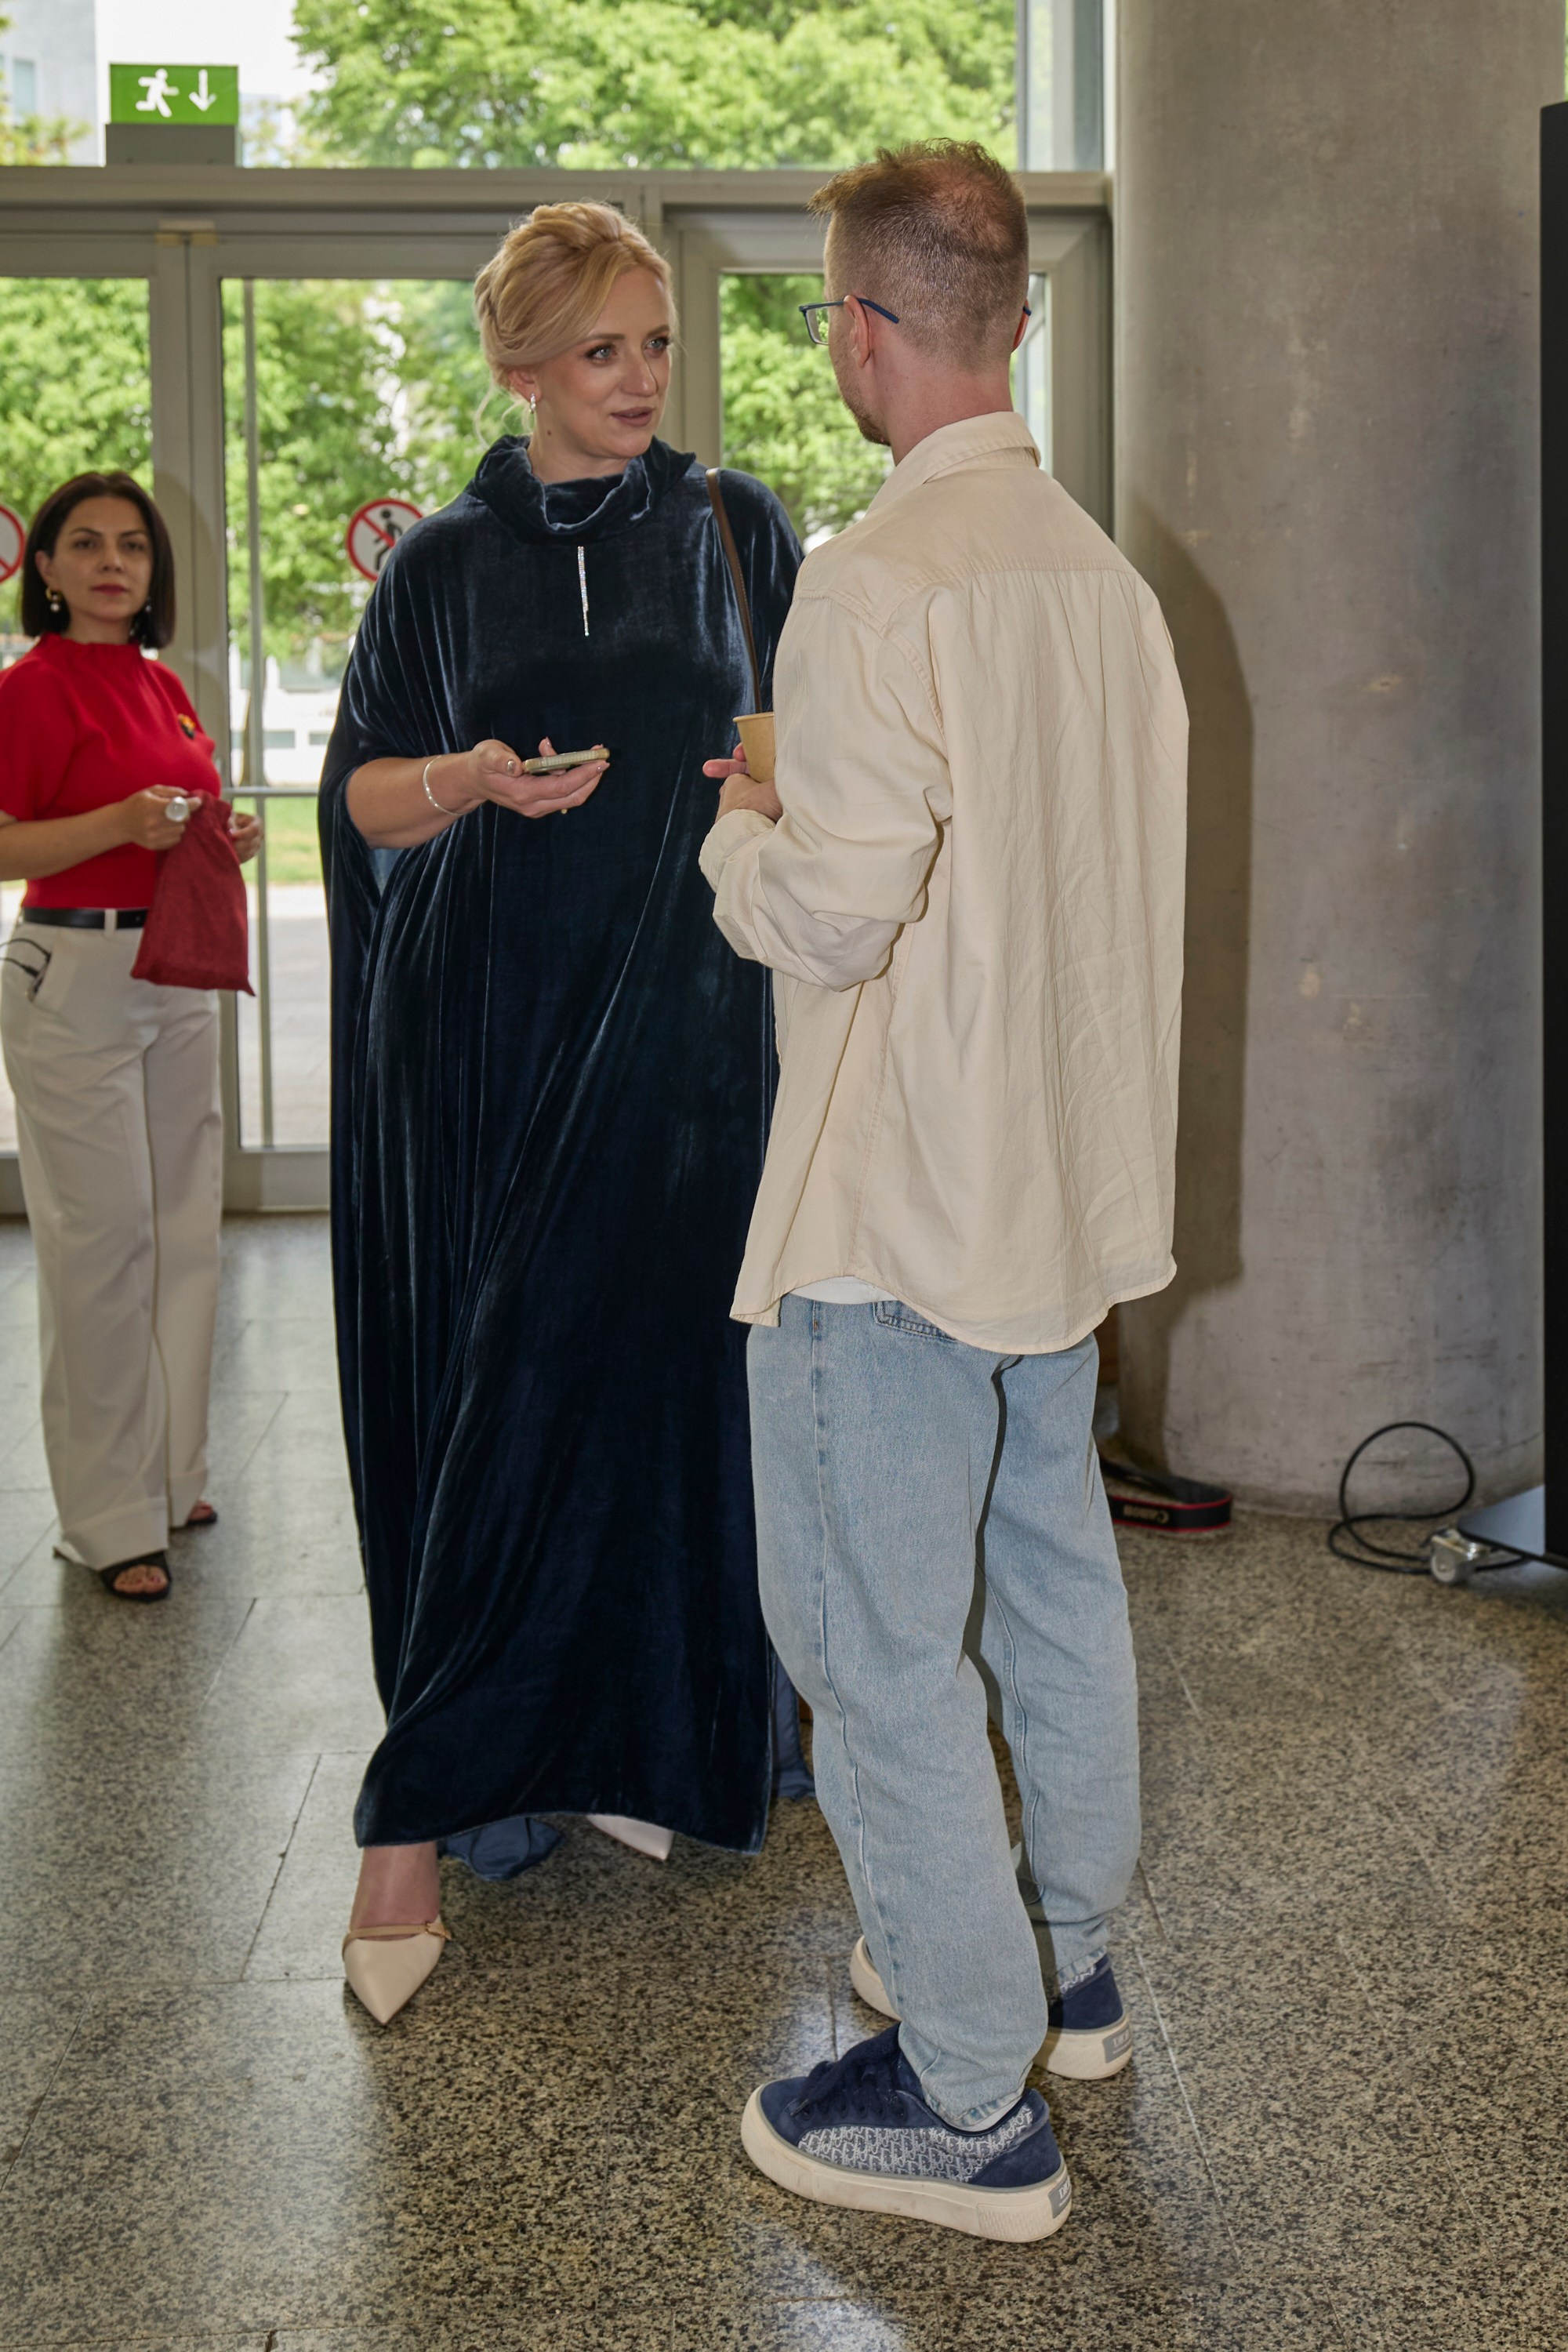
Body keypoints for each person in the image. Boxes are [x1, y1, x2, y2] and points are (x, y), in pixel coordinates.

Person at [699, 143, 1188, 2240]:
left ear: (872, 331)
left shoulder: (882, 578)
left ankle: (971, 2096)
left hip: (898, 1200)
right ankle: (1058, 1963)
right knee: (1050, 1569)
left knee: (871, 1639)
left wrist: (748, 815)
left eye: (830, 315)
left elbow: (828, 913)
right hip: (1055, 1187)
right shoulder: (1096, 572)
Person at [321, 201, 806, 2027]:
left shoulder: (733, 528)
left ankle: (643, 1733)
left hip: (690, 1047)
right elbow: (360, 803)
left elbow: (801, 746)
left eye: (658, 345)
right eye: (601, 352)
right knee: (491, 1392)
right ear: (520, 366)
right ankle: (421, 1806)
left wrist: (761, 779)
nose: (640, 382)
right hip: (484, 1039)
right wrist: (465, 780)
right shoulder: (440, 566)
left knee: (653, 1384)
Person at [0, 472, 261, 1602]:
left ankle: (169, 1474)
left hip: (172, 964)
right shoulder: (27, 690)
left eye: (134, 548)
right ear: (44, 569)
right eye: (87, 543)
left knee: (180, 1231)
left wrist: (218, 838)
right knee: (99, 1244)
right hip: (74, 972)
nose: (114, 562)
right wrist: (115, 824)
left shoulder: (165, 687)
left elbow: (168, 816)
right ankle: (106, 1521)